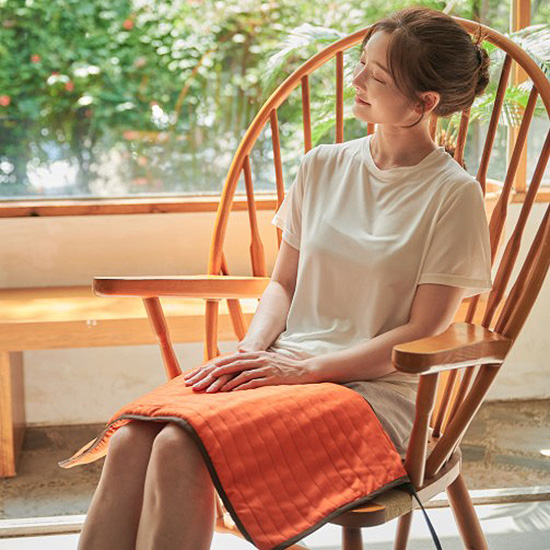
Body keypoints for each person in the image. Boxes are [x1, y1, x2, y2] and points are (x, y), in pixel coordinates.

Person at [76, 6, 493, 550]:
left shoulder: (452, 194)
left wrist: (305, 371)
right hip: (285, 362)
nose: (355, 80)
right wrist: (252, 351)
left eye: (377, 77)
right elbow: (283, 284)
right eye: (360, 63)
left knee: (180, 448)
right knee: (133, 439)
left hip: (375, 393)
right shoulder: (322, 165)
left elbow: (422, 333)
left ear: (424, 103)